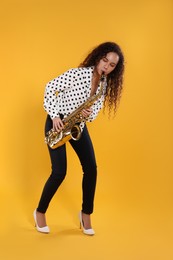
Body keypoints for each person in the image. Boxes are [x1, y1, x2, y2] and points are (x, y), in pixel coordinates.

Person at [33, 42, 125, 235]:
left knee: (91, 169)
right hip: (57, 123)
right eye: (104, 61)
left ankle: (86, 215)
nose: (106, 67)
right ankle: (40, 212)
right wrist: (55, 115)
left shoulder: (104, 86)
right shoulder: (78, 74)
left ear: (115, 69)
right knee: (59, 172)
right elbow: (50, 87)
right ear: (98, 57)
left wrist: (88, 114)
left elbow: (94, 114)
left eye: (111, 65)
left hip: (76, 126)